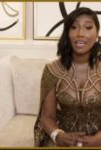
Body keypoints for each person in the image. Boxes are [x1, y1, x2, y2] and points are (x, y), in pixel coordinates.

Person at [34, 7, 101, 147]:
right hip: (64, 140)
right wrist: (58, 136)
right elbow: (47, 117)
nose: (80, 33)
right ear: (67, 33)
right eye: (74, 27)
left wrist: (97, 140)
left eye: (88, 27)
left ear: (97, 35)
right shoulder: (52, 70)